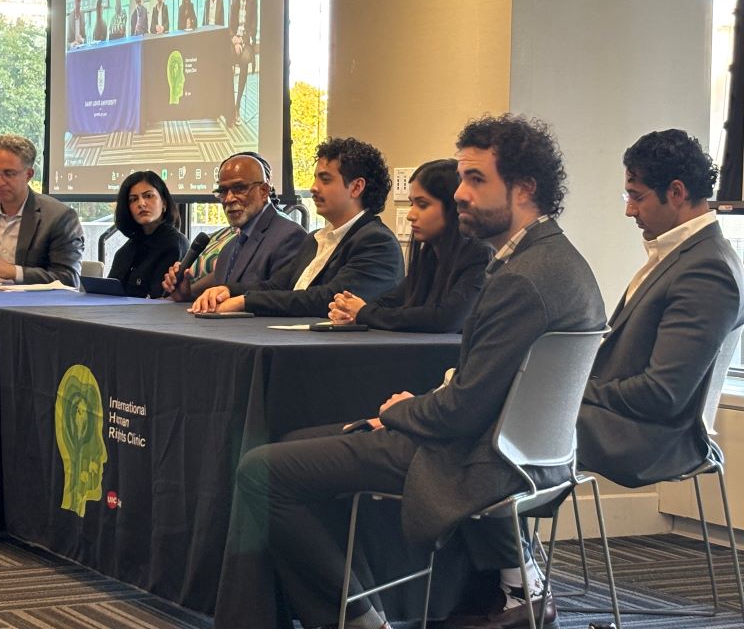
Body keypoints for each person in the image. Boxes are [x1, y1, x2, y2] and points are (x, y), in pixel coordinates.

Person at [212, 115, 606, 629]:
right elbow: (481, 387)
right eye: (461, 179)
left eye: (476, 180)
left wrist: (401, 413)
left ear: (526, 188)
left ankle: (357, 618)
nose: (460, 194)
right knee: (294, 441)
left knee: (262, 470)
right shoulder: (554, 262)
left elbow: (464, 408)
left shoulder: (522, 280)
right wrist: (409, 411)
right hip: (512, 451)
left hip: (473, 456)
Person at [577, 129, 744, 487]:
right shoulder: (683, 255)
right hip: (623, 418)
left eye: (636, 197)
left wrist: (576, 387)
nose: (629, 210)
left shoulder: (707, 269)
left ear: (677, 192)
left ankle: (501, 544)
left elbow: (662, 395)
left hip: (650, 439)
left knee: (512, 419)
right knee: (507, 415)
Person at [190, 137, 404, 318]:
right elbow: (277, 285)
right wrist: (227, 291)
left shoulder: (376, 241)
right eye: (315, 178)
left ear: (356, 187)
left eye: (325, 180)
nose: (313, 188)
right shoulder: (314, 240)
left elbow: (326, 298)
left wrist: (246, 302)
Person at [329, 158, 490, 332]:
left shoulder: (479, 256)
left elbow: (445, 319)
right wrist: (350, 310)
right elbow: (393, 300)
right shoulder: (429, 256)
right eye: (411, 203)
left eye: (422, 204)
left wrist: (364, 312)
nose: (410, 215)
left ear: (453, 207)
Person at [162, 153, 306, 301]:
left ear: (264, 191)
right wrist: (186, 296)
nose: (229, 199)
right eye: (223, 191)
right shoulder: (229, 248)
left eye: (239, 188)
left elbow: (281, 296)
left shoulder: (289, 235)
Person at [0, 134, 84, 288]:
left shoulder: (60, 217)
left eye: (9, 174)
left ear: (29, 175)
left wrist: (14, 272)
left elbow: (68, 278)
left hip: (31, 308)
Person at [108, 170, 188, 298]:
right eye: (133, 200)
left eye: (148, 196)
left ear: (164, 203)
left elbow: (157, 296)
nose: (141, 203)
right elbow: (109, 292)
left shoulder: (174, 243)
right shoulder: (127, 249)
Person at [228, 0, 257, 126]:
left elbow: (253, 27)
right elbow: (230, 26)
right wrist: (234, 40)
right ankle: (228, 106)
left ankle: (237, 105)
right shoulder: (234, 0)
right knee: (225, 59)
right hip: (235, 41)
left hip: (246, 43)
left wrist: (242, 41)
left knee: (245, 60)